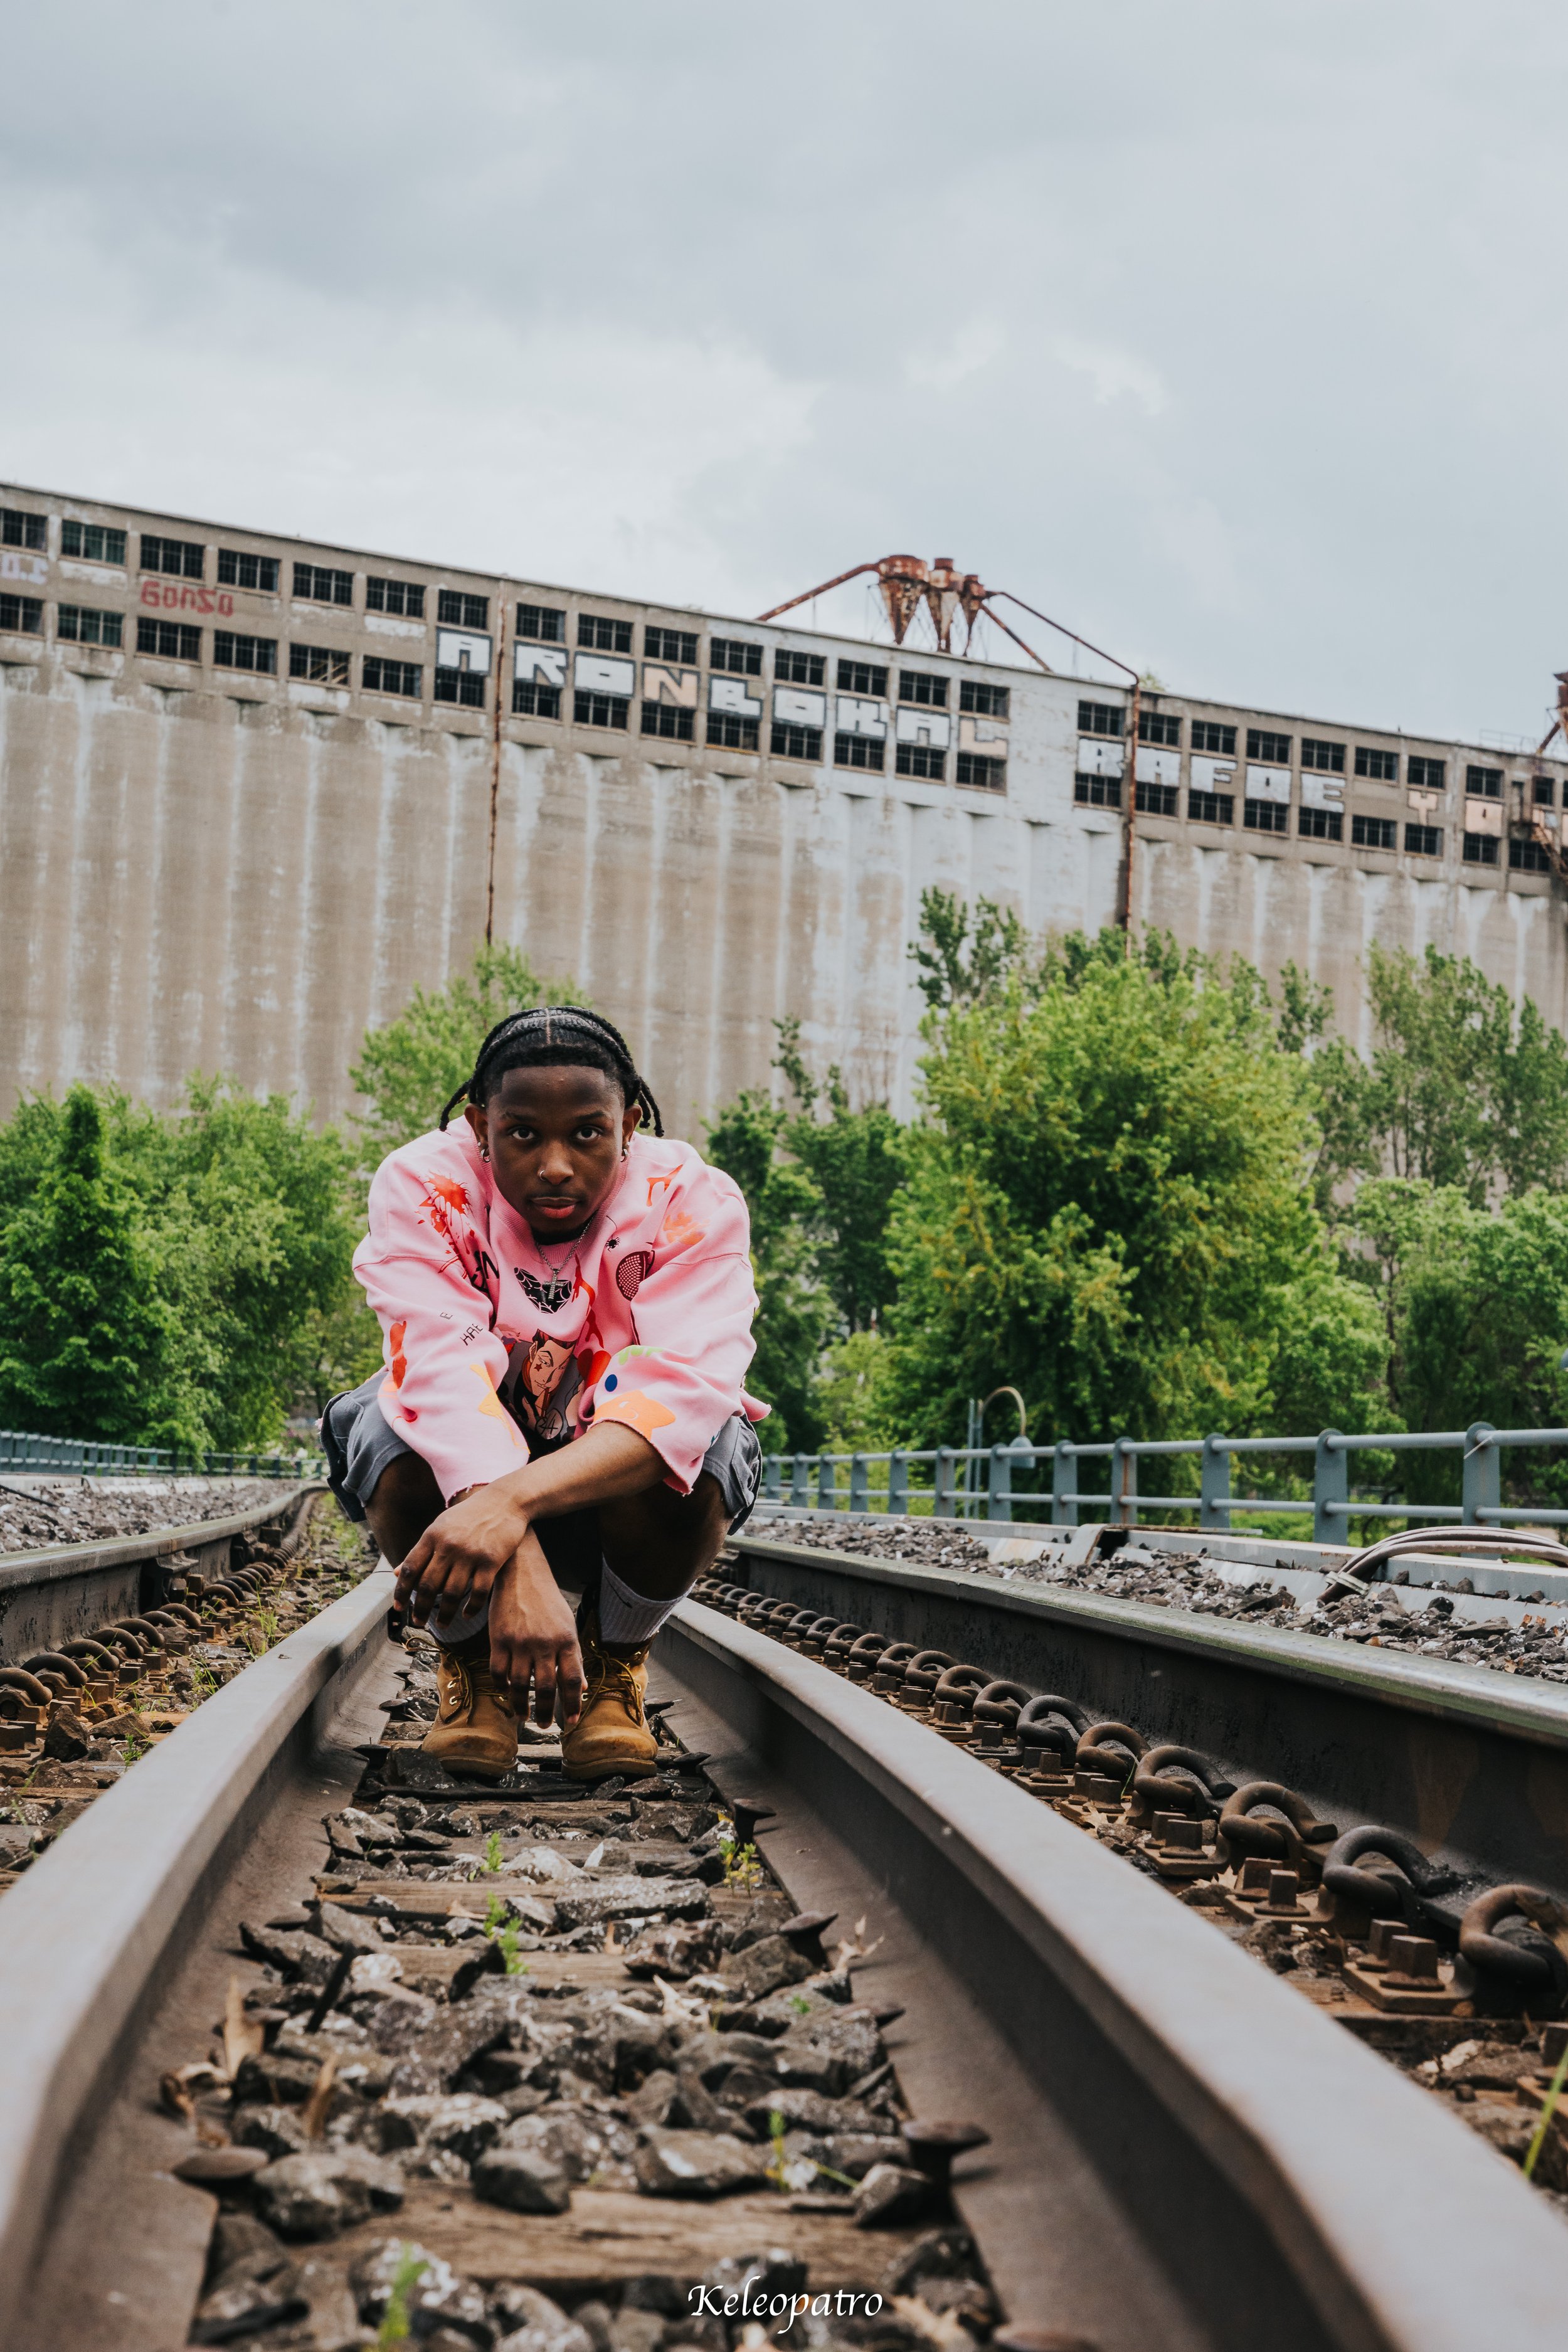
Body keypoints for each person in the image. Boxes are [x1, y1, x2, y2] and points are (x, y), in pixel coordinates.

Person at [322, 1004, 764, 1784]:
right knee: (385, 1430)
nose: (555, 1165)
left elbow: (681, 1390)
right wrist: (511, 1543)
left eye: (587, 1134)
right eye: (522, 1133)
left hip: (611, 1490)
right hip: (476, 1478)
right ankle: (476, 1673)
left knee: (714, 1440)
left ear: (629, 1125)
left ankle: (616, 1665)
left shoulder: (691, 1195)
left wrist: (509, 1506)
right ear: (480, 1124)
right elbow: (438, 1371)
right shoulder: (426, 1185)